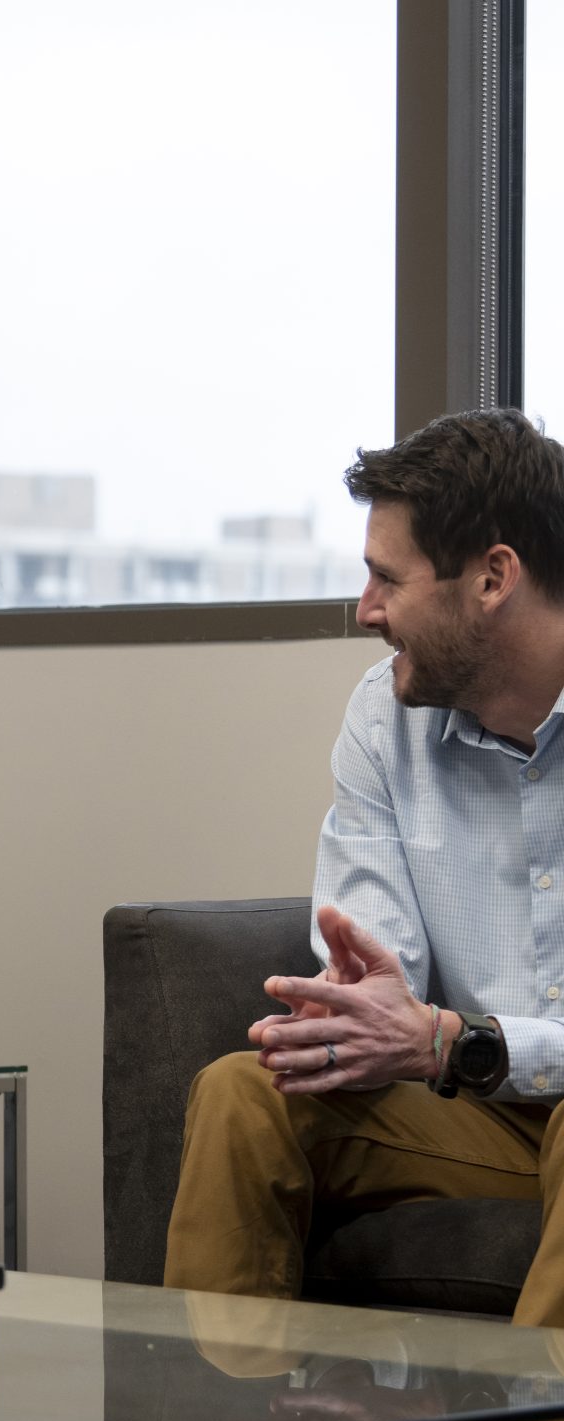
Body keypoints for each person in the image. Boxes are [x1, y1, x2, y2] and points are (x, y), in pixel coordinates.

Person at [164, 408, 564, 1328]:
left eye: (388, 577)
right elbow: (380, 979)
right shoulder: (384, 720)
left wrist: (451, 1039)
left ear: (493, 577)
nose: (365, 609)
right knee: (241, 1093)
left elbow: (433, 1037)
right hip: (479, 1108)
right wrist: (364, 1004)